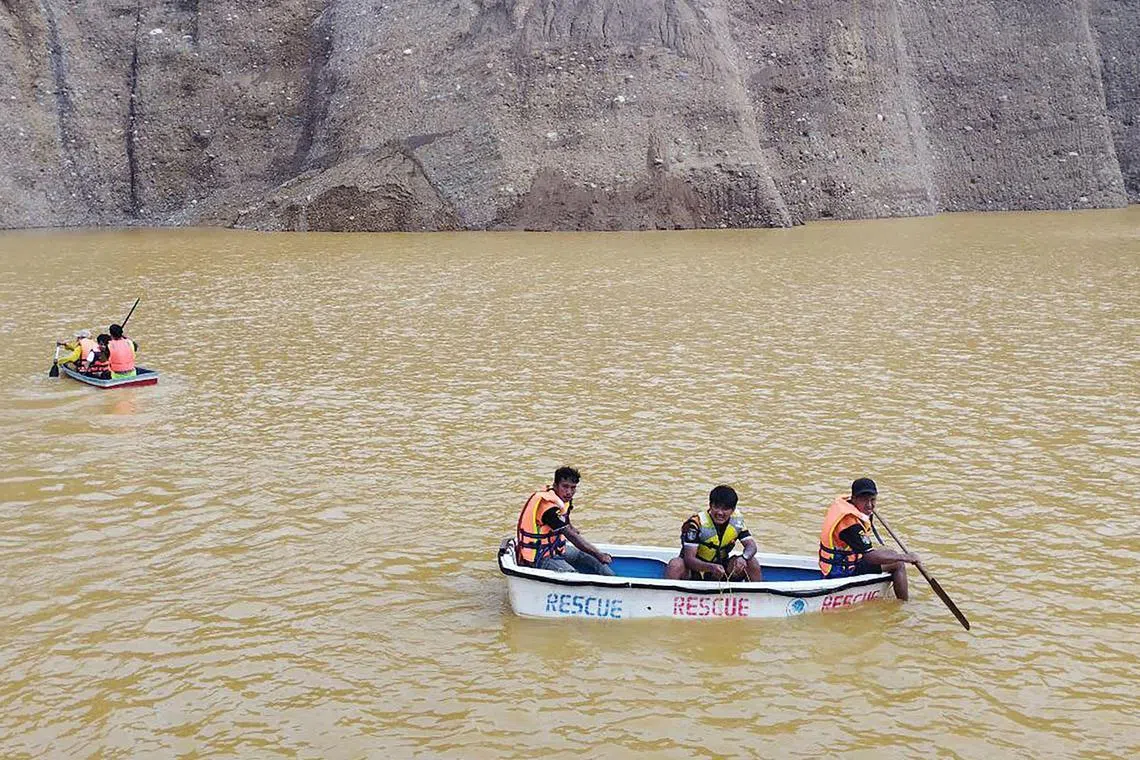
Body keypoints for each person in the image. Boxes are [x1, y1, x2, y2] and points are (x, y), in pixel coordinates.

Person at [818, 477, 922, 601]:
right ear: (854, 499)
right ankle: (903, 603)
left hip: (843, 563)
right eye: (864, 500)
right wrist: (905, 557)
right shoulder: (849, 524)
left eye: (873, 500)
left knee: (890, 552)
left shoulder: (848, 505)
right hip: (841, 572)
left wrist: (867, 507)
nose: (869, 505)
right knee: (898, 563)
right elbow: (869, 557)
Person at [515, 466, 615, 576]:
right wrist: (599, 554)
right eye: (565, 487)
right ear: (555, 485)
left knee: (590, 558)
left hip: (555, 548)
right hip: (540, 556)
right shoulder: (548, 508)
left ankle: (613, 579)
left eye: (573, 488)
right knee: (572, 574)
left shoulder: (562, 500)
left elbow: (566, 520)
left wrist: (573, 529)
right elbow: (570, 536)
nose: (569, 492)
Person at [664, 485, 763, 581]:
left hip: (721, 570)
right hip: (695, 570)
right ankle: (670, 595)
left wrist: (743, 558)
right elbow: (689, 559)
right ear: (710, 506)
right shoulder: (695, 524)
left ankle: (757, 595)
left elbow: (751, 546)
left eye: (725, 509)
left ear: (732, 510)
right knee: (675, 564)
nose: (720, 513)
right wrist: (711, 567)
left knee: (751, 562)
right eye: (716, 507)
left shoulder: (737, 522)